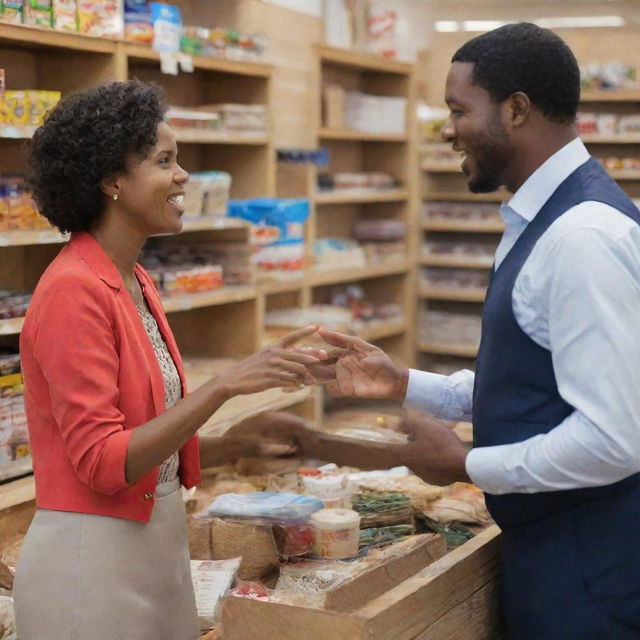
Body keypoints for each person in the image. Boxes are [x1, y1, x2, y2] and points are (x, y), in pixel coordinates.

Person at [314, 23, 640, 639]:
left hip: (591, 572)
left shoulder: (581, 237)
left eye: (457, 109)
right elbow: (536, 387)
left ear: (516, 110)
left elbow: (613, 439)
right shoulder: (542, 217)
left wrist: (468, 461)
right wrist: (404, 382)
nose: (446, 128)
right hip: (559, 553)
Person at [14, 79, 327, 640]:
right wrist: (224, 387)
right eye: (165, 161)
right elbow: (103, 463)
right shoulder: (72, 290)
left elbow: (147, 449)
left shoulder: (132, 278)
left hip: (153, 549)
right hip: (92, 565)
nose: (183, 176)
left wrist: (240, 443)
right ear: (111, 180)